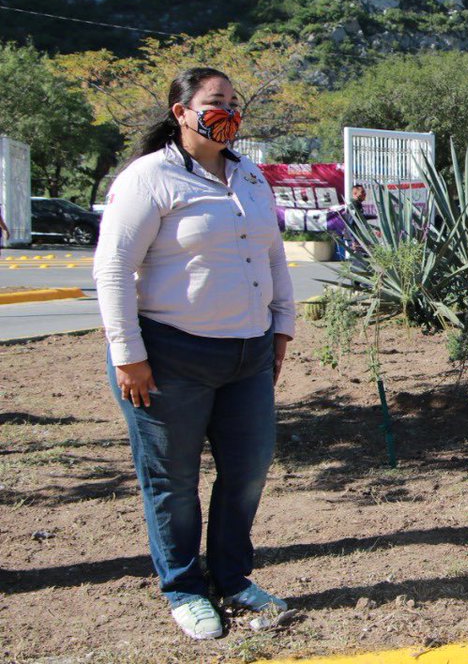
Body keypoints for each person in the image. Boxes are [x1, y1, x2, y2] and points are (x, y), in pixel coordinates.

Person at [93, 67, 296, 640]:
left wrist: (282, 326)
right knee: (173, 482)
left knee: (247, 473)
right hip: (167, 357)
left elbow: (273, 256)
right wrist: (128, 354)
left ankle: (232, 578)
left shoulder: (250, 176)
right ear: (180, 111)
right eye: (214, 101)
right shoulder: (149, 177)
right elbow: (113, 270)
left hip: (248, 355)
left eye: (233, 101)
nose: (227, 110)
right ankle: (184, 588)